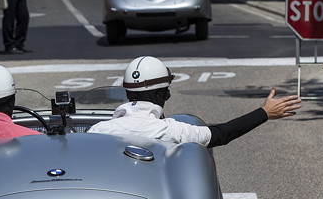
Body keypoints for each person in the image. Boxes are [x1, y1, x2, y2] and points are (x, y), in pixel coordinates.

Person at [89, 56, 301, 146]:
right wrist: (264, 113)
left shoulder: (97, 131)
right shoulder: (169, 131)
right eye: (166, 92)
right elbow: (221, 134)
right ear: (159, 95)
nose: (168, 97)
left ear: (128, 94)